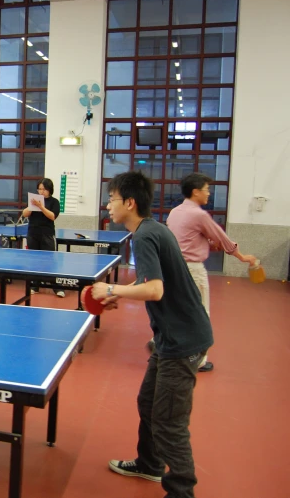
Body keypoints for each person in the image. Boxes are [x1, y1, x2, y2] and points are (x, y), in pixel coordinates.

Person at [91, 171, 212, 498]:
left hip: (183, 341)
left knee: (169, 423)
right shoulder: (154, 228)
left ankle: (181, 492)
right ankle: (150, 464)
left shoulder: (144, 236)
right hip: (170, 337)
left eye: (112, 199)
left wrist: (111, 286)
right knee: (148, 402)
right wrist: (122, 293)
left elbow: (156, 290)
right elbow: (152, 279)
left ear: (129, 203)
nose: (108, 204)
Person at [162, 172, 256, 372]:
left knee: (177, 310)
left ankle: (163, 346)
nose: (209, 194)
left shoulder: (175, 212)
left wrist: (208, 244)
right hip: (193, 270)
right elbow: (222, 239)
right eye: (206, 190)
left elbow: (186, 238)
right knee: (200, 313)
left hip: (173, 267)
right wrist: (242, 256)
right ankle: (199, 360)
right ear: (196, 192)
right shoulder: (199, 214)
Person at [21, 178, 64, 297]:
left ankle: (56, 287)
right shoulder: (33, 200)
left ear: (49, 190)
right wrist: (32, 206)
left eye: (44, 189)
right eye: (39, 189)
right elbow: (24, 214)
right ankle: (35, 286)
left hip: (47, 234)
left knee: (50, 261)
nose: (41, 191)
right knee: (34, 261)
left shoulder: (54, 202)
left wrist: (41, 206)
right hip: (33, 233)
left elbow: (52, 216)